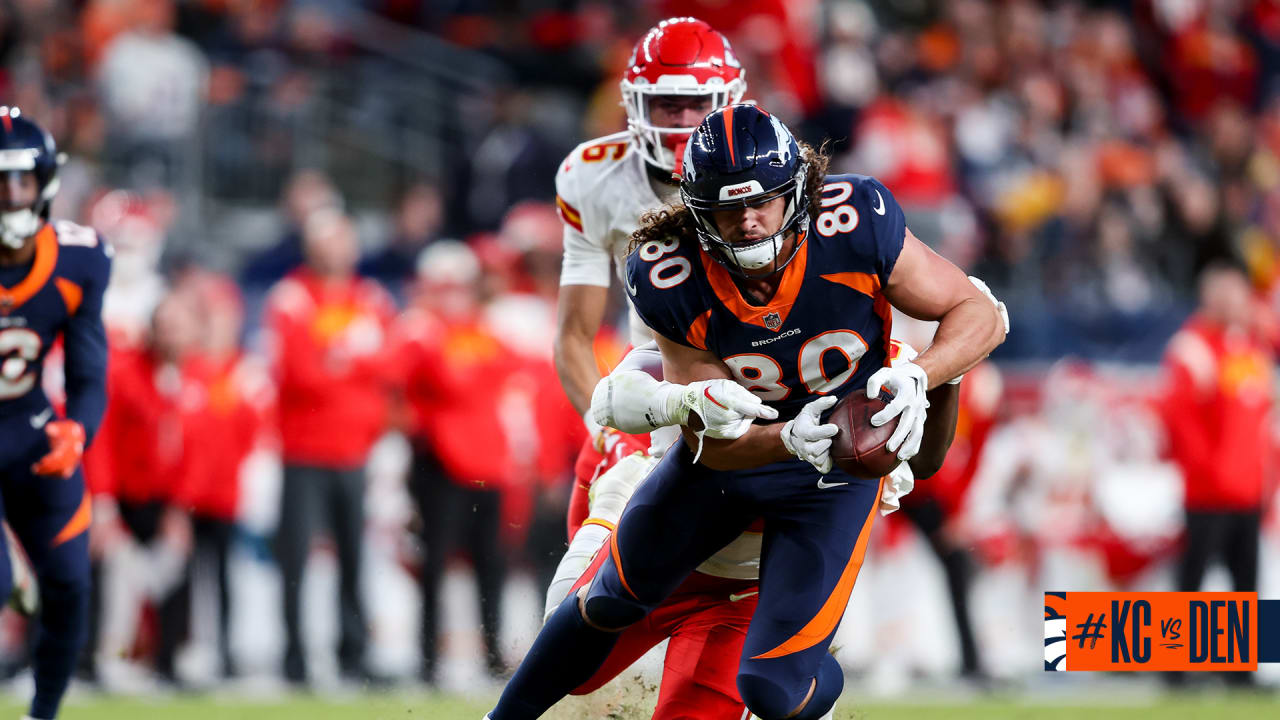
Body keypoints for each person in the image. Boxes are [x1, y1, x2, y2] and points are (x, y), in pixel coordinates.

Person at [489, 105, 1006, 720]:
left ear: (798, 191)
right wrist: (789, 436)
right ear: (696, 210)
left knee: (773, 692)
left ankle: (815, 669)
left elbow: (977, 310)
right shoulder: (667, 267)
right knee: (607, 599)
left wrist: (922, 373)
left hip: (831, 479)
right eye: (728, 208)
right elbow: (714, 441)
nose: (749, 220)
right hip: (731, 464)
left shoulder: (854, 221)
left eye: (763, 201)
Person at [553, 16, 746, 428]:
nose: (682, 122)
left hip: (760, 368)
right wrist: (604, 427)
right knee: (605, 487)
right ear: (636, 103)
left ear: (729, 102)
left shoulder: (766, 171)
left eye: (697, 105)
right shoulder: (592, 177)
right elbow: (574, 335)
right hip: (655, 378)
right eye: (668, 105)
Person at [0, 106, 111, 720]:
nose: (12, 196)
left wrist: (79, 430)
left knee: (70, 583)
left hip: (28, 427)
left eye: (21, 180)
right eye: (0, 182)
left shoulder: (80, 258)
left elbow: (90, 374)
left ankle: (42, 714)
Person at [262, 208, 396, 685]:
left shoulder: (370, 297)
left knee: (354, 558)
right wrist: (350, 359)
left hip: (355, 448)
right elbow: (297, 374)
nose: (338, 249)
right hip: (304, 448)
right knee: (296, 559)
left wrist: (337, 359)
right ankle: (294, 657)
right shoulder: (292, 297)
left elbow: (387, 363)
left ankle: (353, 655)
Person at [1158, 262, 1273, 685]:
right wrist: (1210, 472)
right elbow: (1181, 422)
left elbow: (1260, 421)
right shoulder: (1192, 348)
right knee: (1192, 581)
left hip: (1247, 489)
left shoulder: (1249, 348)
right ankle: (1174, 670)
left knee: (1245, 584)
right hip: (1208, 491)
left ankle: (1239, 672)